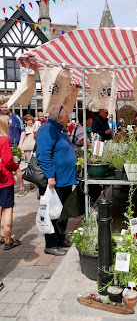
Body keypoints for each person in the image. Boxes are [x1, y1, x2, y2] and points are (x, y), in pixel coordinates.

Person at [36, 105, 77, 256]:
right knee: (53, 213)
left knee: (63, 212)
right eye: (67, 116)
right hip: (56, 180)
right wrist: (50, 176)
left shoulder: (58, 129)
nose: (69, 118)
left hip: (65, 179)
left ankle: (60, 239)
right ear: (60, 117)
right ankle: (51, 244)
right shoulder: (48, 129)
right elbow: (43, 154)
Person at [0, 115, 22, 250]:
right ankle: (8, 240)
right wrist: (15, 166)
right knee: (7, 208)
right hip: (5, 178)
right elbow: (8, 160)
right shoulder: (3, 140)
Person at [0, 100, 27, 197]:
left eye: (5, 107)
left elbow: (23, 131)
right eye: (2, 107)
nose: (4, 109)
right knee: (4, 168)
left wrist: (20, 144)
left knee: (16, 168)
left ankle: (22, 188)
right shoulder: (1, 118)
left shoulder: (15, 117)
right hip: (3, 146)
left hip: (14, 147)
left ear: (9, 107)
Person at [22, 114, 36, 189]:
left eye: (31, 120)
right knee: (30, 164)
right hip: (27, 148)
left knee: (34, 163)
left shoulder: (34, 127)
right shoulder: (24, 129)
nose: (30, 121)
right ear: (25, 121)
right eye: (29, 120)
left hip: (33, 147)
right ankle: (31, 181)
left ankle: (34, 180)